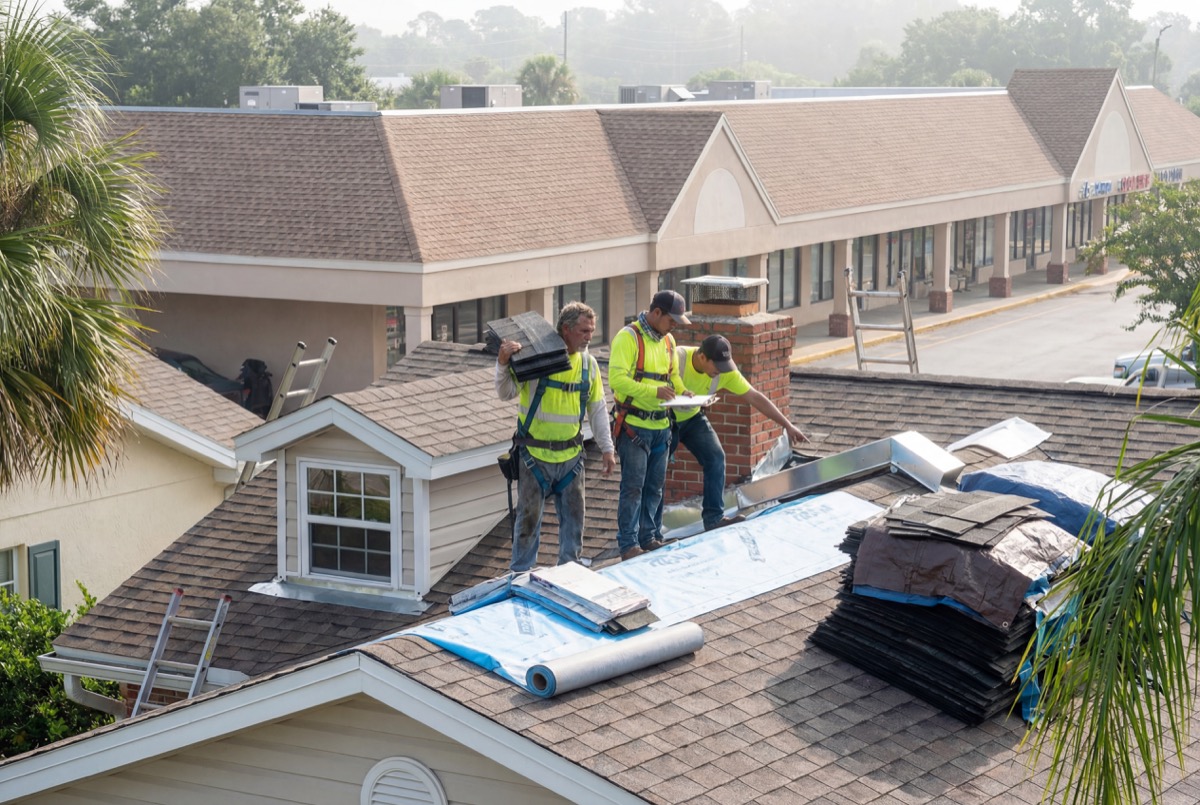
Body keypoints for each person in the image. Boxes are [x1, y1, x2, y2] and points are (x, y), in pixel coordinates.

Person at [496, 302, 616, 572]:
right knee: (527, 522)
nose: (589, 337)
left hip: (571, 459)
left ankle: (570, 574)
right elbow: (505, 392)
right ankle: (520, 576)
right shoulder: (536, 358)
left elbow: (597, 409)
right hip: (534, 458)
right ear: (566, 329)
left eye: (592, 331)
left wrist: (607, 449)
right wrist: (503, 364)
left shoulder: (588, 365)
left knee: (574, 524)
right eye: (584, 331)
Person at [669, 334, 808, 530]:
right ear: (702, 357)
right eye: (716, 366)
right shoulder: (678, 357)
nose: (719, 372)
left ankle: (714, 518)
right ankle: (650, 531)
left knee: (716, 457)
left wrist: (787, 424)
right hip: (666, 419)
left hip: (692, 418)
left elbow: (755, 397)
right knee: (657, 470)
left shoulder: (724, 372)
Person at [608, 289, 690, 561]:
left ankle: (650, 537)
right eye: (672, 320)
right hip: (634, 427)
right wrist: (652, 393)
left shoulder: (668, 341)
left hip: (660, 428)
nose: (675, 325)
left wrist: (684, 392)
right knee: (633, 486)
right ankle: (629, 544)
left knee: (655, 486)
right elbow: (618, 381)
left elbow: (672, 377)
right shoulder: (628, 338)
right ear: (657, 313)